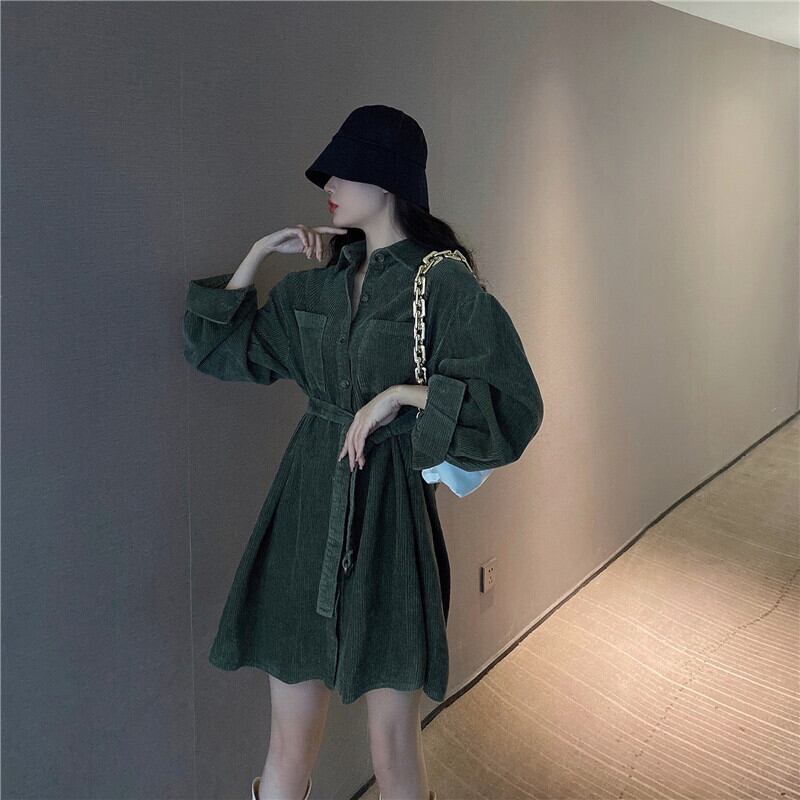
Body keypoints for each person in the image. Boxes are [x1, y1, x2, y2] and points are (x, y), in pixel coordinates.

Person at [182, 105, 544, 800]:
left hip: (390, 520)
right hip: (304, 510)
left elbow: (512, 409)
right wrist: (259, 253)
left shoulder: (441, 283)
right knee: (289, 742)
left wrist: (404, 397)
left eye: (345, 169)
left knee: (392, 744)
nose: (329, 183)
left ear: (389, 179)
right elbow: (220, 349)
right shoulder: (314, 287)